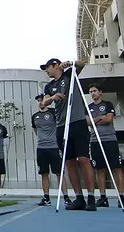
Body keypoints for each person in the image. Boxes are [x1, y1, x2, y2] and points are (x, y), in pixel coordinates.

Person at [40, 58, 96, 212]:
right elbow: (43, 104)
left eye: (48, 67)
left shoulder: (69, 75)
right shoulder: (49, 86)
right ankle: (79, 197)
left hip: (77, 121)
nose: (46, 71)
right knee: (69, 162)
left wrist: (72, 63)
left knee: (84, 158)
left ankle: (91, 197)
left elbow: (83, 65)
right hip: (61, 125)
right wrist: (52, 97)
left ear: (56, 66)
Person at [87, 84, 124, 208]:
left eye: (94, 91)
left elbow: (109, 119)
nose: (93, 93)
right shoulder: (89, 107)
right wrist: (100, 118)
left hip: (109, 139)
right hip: (95, 141)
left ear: (100, 92)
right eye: (90, 92)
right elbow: (88, 122)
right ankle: (103, 197)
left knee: (116, 168)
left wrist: (96, 119)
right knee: (99, 169)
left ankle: (121, 197)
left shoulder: (108, 104)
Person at [31, 94, 71, 206]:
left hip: (54, 147)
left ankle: (66, 197)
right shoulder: (35, 116)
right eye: (38, 100)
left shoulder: (53, 113)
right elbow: (36, 130)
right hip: (41, 148)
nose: (40, 102)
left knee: (59, 173)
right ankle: (46, 198)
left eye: (42, 100)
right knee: (44, 173)